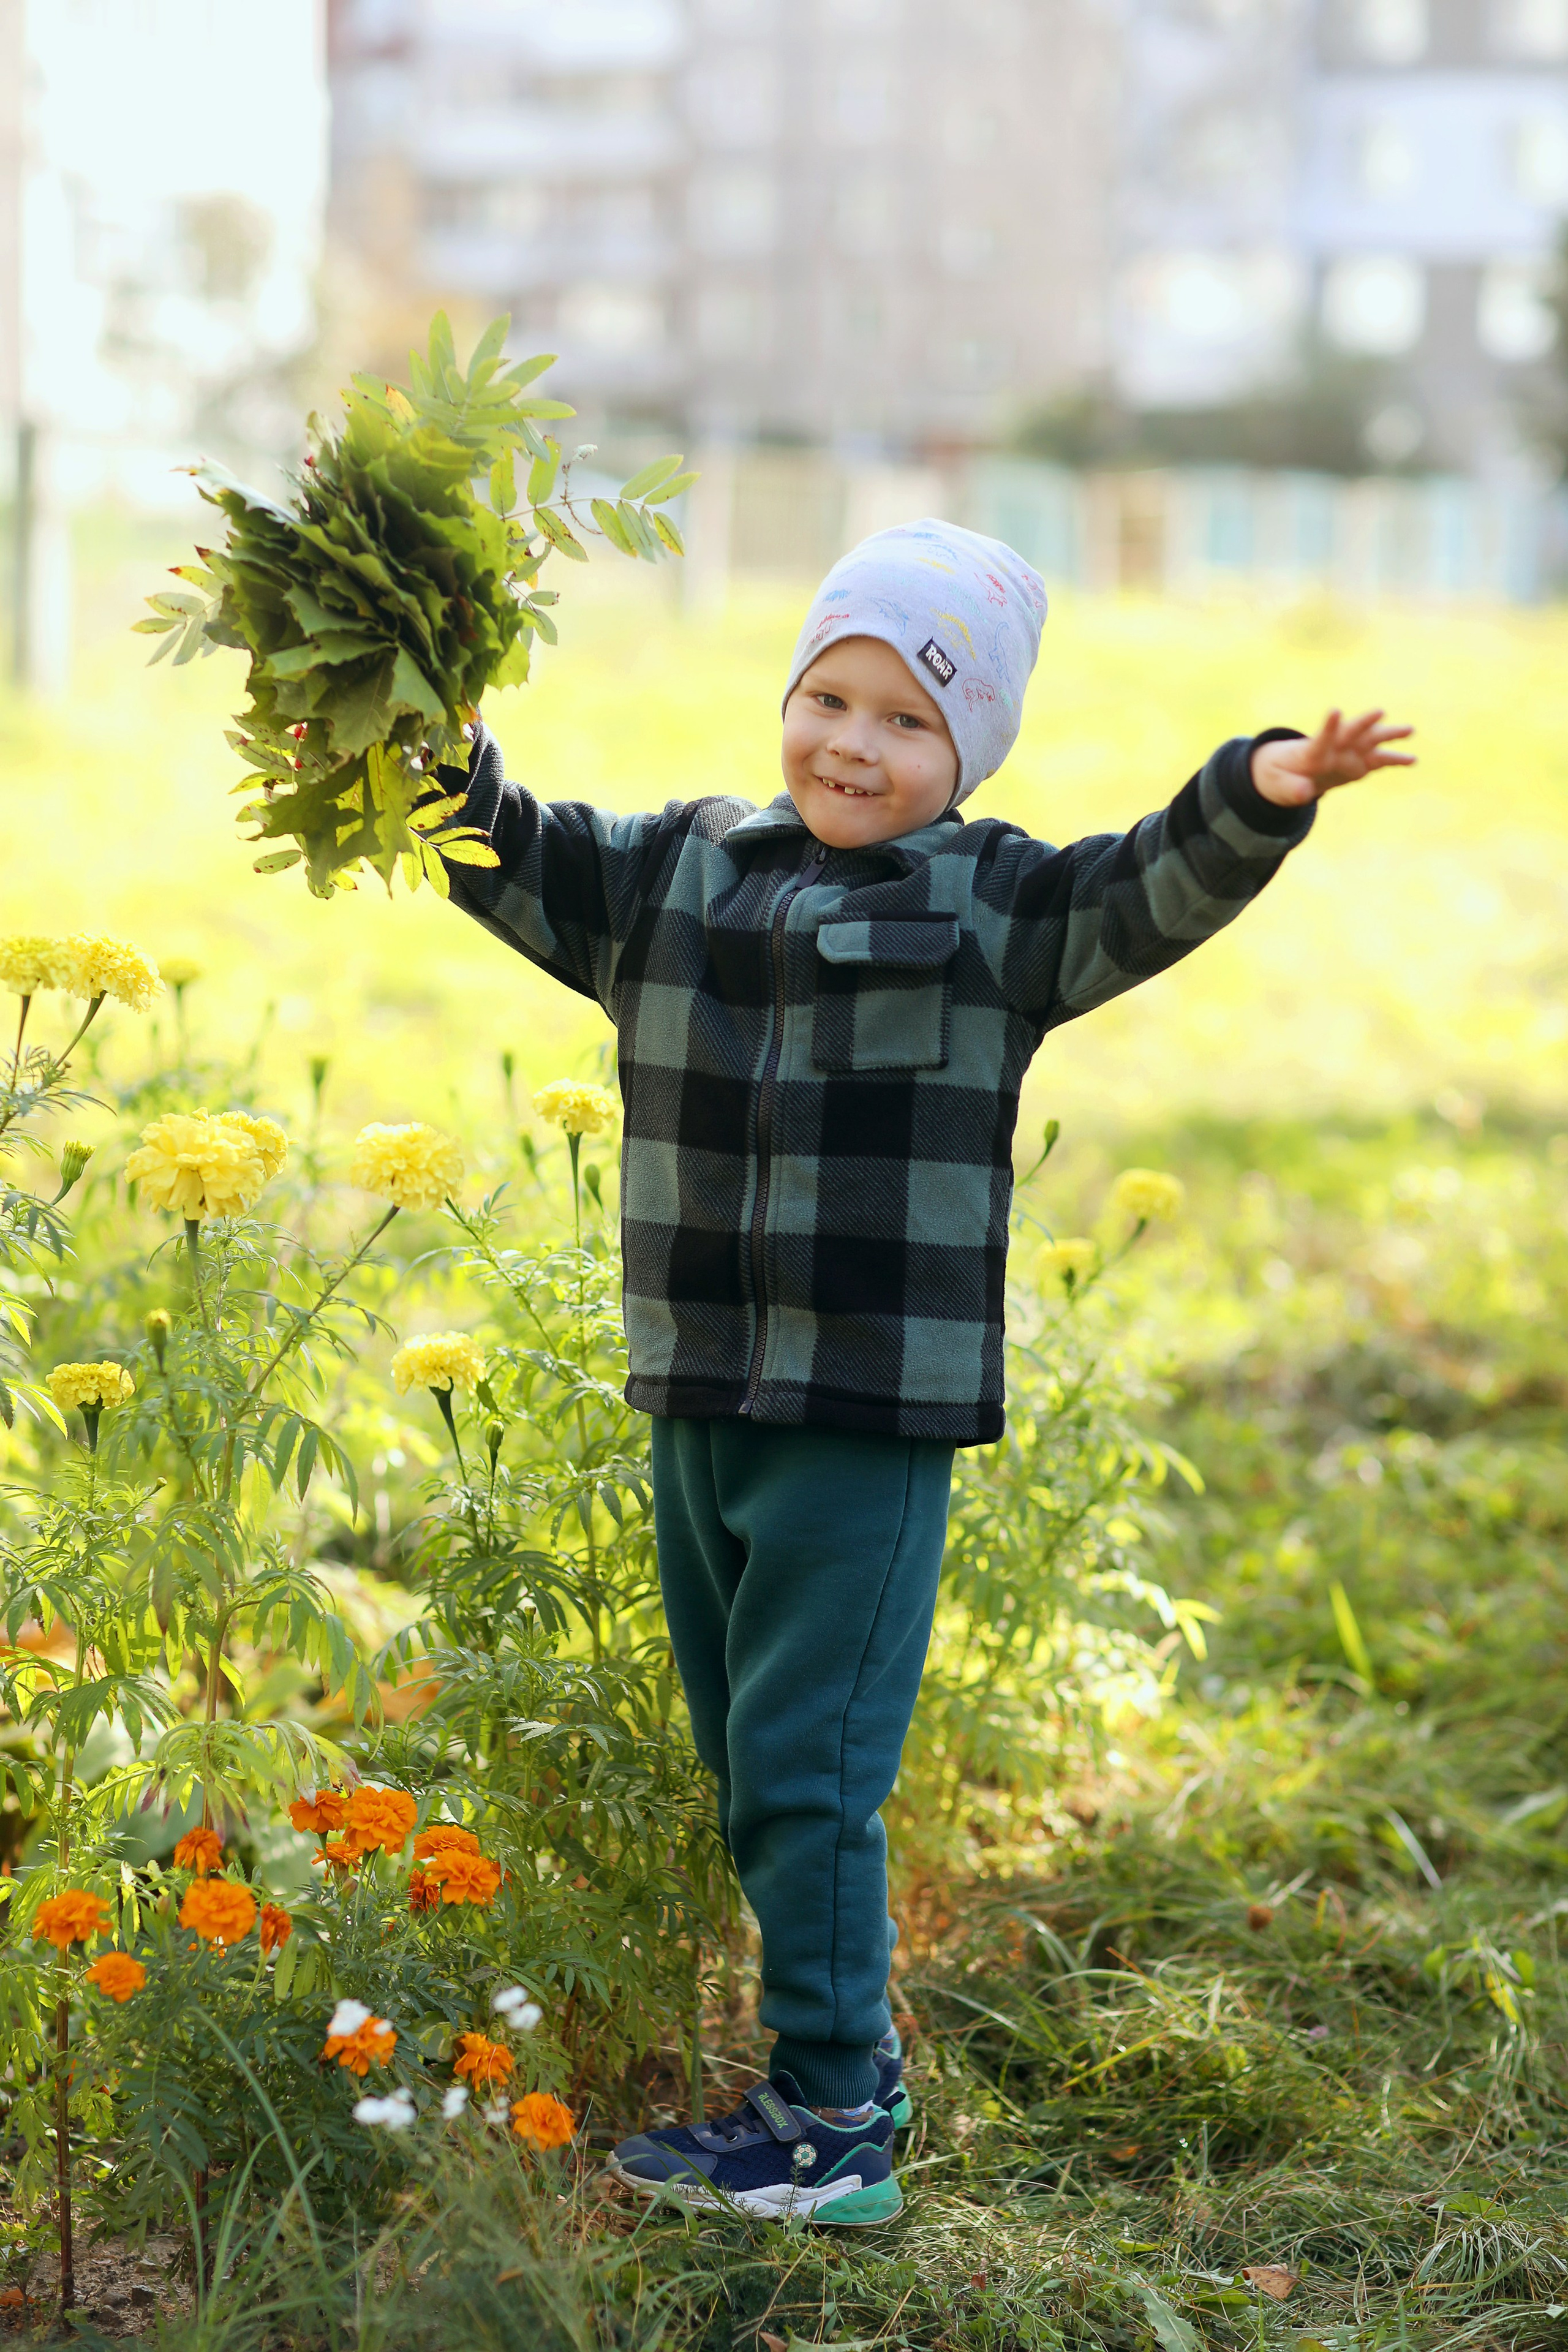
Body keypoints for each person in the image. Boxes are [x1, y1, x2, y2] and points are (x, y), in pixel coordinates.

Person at [429, 519, 1413, 2224]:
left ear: (966, 755)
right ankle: (822, 2093)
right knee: (753, 1760)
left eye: (906, 720)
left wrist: (1260, 790)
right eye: (830, 695)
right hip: (698, 1389)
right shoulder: (676, 873)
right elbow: (497, 843)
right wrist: (401, 728)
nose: (851, 744)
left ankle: (836, 2125)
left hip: (862, 1420)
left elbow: (1144, 889)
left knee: (811, 1771)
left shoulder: (997, 908)